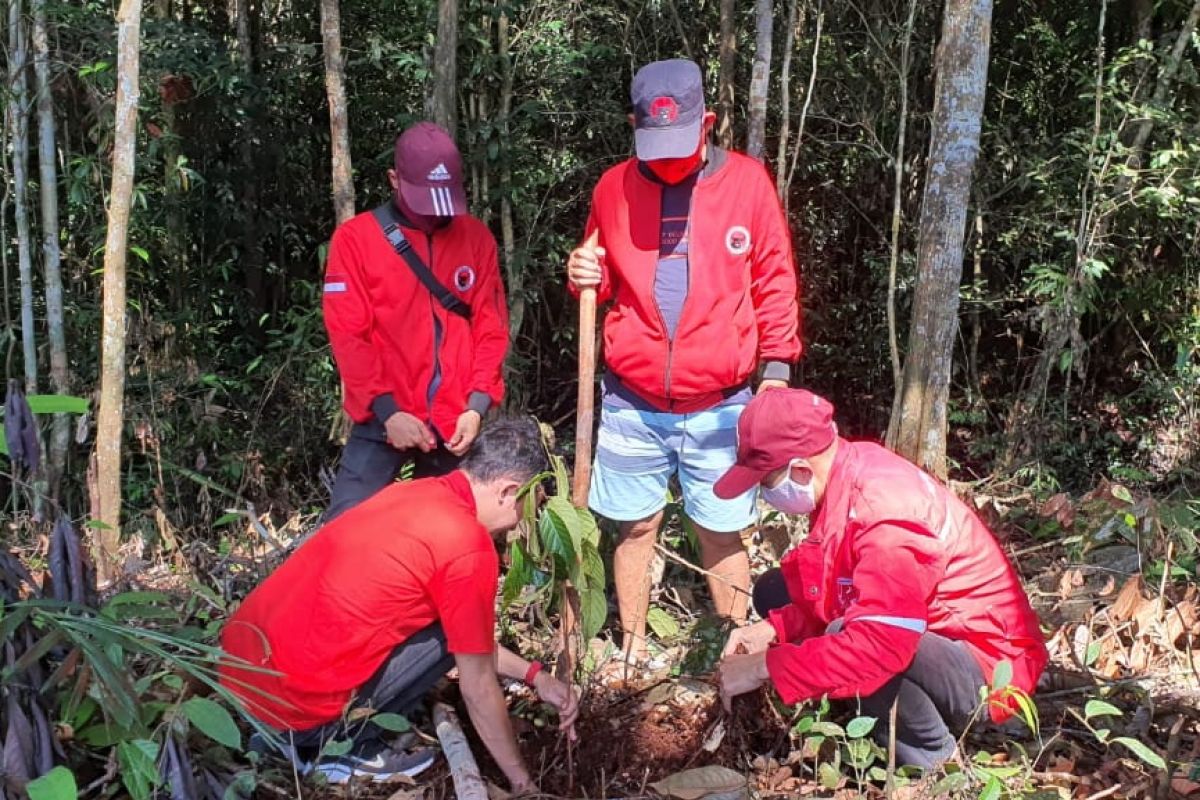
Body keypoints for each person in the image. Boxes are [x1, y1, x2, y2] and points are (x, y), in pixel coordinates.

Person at [566, 58, 801, 666]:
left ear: (709, 123)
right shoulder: (612, 187)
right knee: (634, 528)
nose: (668, 159)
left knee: (721, 530)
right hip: (632, 401)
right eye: (655, 145)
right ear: (633, 126)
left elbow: (775, 280)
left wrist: (776, 371)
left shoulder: (747, 184)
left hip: (721, 402)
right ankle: (631, 649)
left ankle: (737, 650)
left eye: (681, 143)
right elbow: (599, 277)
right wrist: (580, 274)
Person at [219, 417, 579, 789]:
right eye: (526, 508)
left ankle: (287, 739)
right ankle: (335, 751)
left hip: (246, 682)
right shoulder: (466, 545)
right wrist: (524, 784)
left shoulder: (413, 492)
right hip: (299, 713)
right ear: (507, 491)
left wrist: (535, 676)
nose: (520, 524)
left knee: (453, 625)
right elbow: (478, 685)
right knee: (450, 637)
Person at [713, 389, 1048, 770]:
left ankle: (934, 763)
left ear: (801, 469)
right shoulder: (845, 472)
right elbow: (839, 585)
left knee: (858, 639)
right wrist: (775, 631)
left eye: (764, 482)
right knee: (776, 592)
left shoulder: (885, 510)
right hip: (934, 636)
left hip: (991, 671)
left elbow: (879, 644)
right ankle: (864, 706)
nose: (763, 494)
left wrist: (765, 666)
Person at [322, 121, 509, 520]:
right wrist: (388, 412)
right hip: (383, 413)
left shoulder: (475, 238)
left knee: (450, 534)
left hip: (456, 420)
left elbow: (491, 328)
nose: (435, 213)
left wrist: (476, 406)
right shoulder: (356, 240)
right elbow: (349, 336)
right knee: (345, 531)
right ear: (394, 179)